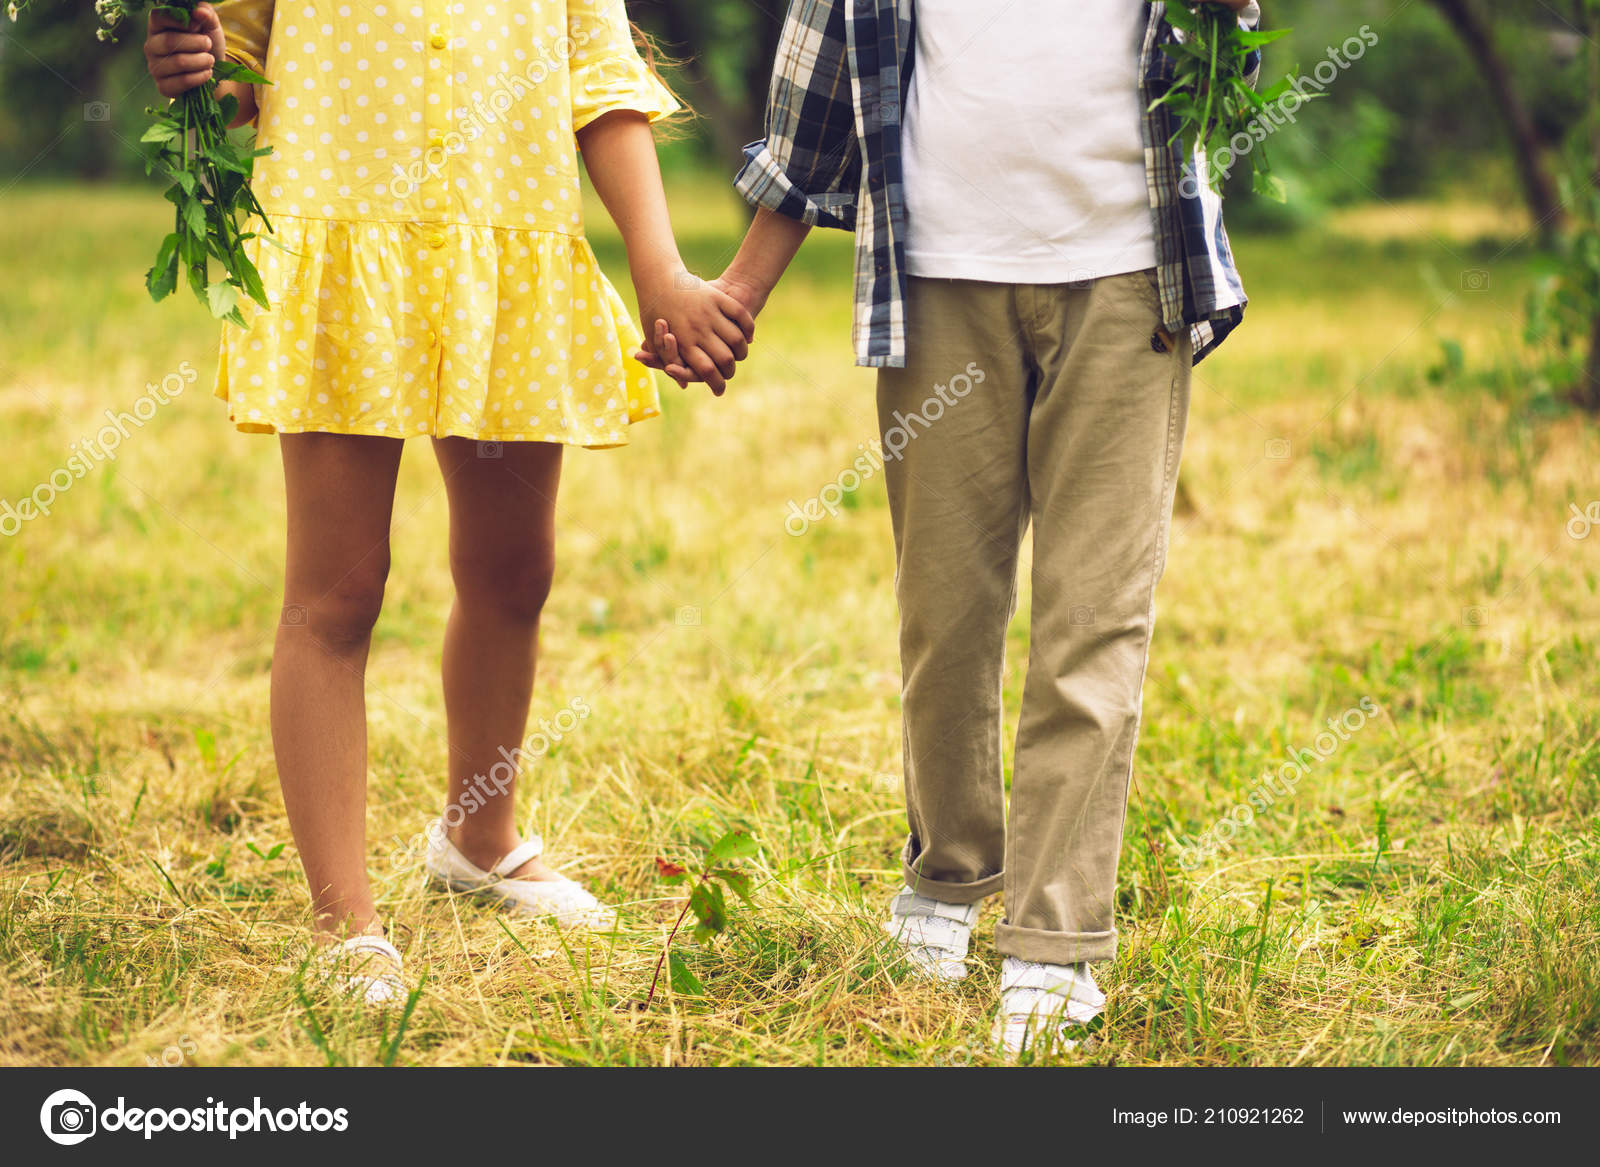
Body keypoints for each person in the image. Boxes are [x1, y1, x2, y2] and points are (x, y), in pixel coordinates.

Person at [644, 0, 1263, 1053]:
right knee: (946, 613)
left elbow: (1225, 45)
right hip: (936, 286)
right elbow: (816, 109)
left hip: (1127, 284)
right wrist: (734, 292)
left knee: (1094, 623)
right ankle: (948, 875)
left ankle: (1052, 940)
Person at [143, 0, 754, 1004]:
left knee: (515, 572)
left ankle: (481, 838)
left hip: (506, 262)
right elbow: (234, 75)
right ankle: (346, 927)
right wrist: (191, 64)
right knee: (337, 592)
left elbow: (599, 79)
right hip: (347, 261)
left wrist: (659, 268)